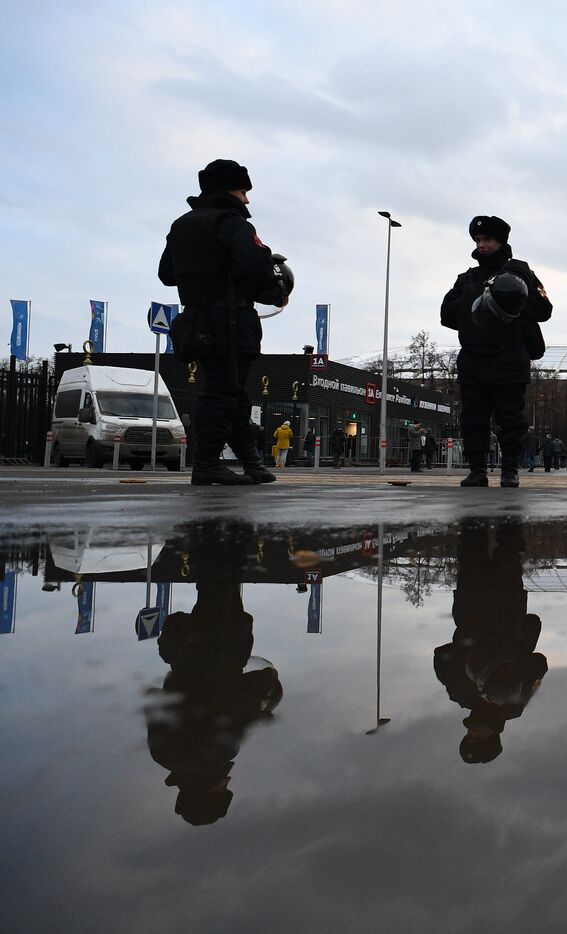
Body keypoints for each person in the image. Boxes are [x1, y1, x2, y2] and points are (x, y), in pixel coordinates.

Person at [146, 521, 282, 825]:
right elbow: (154, 700)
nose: (228, 783)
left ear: (209, 792)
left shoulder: (214, 755)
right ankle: (212, 534)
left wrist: (263, 695)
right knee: (214, 586)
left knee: (221, 581)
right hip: (186, 656)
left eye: (224, 790)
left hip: (221, 651)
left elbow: (242, 699)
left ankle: (220, 530)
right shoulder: (164, 756)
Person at [159, 159, 284, 485]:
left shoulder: (181, 224)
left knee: (233, 392)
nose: (247, 199)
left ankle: (250, 461)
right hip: (231, 320)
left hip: (196, 322)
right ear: (228, 189)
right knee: (221, 394)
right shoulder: (234, 225)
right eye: (243, 190)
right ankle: (206, 463)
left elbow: (166, 274)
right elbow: (256, 267)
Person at [440, 215, 552, 488]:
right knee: (473, 419)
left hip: (509, 358)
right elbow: (446, 314)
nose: (481, 245)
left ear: (501, 242)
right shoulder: (467, 279)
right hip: (474, 358)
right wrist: (473, 307)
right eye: (478, 240)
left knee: (511, 419)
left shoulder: (521, 272)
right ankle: (476, 470)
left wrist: (514, 297)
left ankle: (510, 470)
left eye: (487, 240)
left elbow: (544, 310)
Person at [434, 521, 547, 765]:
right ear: (493, 737)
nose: (473, 734)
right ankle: (507, 503)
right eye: (479, 739)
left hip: (478, 610)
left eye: (470, 738)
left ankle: (477, 501)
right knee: (506, 551)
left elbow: (441, 655)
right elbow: (539, 664)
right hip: (500, 611)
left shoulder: (462, 696)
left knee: (476, 551)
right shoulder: (510, 703)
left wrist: (468, 653)